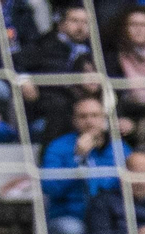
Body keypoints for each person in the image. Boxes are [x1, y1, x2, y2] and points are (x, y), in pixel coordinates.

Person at [41, 93, 122, 234]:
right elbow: (51, 188)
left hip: (108, 217)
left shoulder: (117, 148)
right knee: (74, 232)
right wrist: (78, 159)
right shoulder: (60, 147)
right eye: (83, 116)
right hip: (68, 216)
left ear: (104, 119)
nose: (90, 121)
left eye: (95, 115)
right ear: (75, 120)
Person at [19, 4, 95, 142]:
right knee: (60, 108)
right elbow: (17, 62)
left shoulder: (95, 49)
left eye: (85, 22)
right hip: (49, 101)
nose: (80, 27)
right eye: (75, 21)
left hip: (83, 100)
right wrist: (23, 79)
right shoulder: (44, 44)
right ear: (61, 24)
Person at [107, 6, 145, 139]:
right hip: (122, 117)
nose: (139, 29)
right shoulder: (112, 59)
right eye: (134, 24)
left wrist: (137, 125)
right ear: (124, 28)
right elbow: (110, 95)